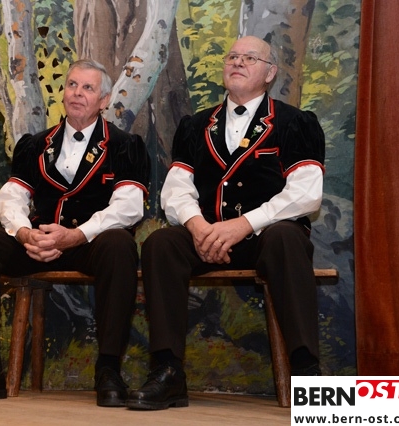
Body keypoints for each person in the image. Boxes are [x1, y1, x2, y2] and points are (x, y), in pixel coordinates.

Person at [127, 36, 325, 410]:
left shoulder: (296, 123)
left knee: (287, 238)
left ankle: (306, 372)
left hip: (265, 237)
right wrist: (198, 227)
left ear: (270, 73)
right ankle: (168, 371)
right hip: (207, 235)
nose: (237, 62)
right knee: (161, 244)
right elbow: (176, 190)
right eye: (232, 56)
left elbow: (306, 193)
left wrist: (244, 225)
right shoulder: (195, 125)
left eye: (249, 58)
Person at [0, 58, 151, 408]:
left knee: (119, 244)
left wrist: (76, 235)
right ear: (63, 93)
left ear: (104, 100)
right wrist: (24, 233)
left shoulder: (126, 145)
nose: (77, 93)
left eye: (88, 88)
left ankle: (108, 368)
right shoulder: (35, 144)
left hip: (89, 244)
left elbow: (129, 207)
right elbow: (10, 197)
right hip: (38, 243)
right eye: (72, 85)